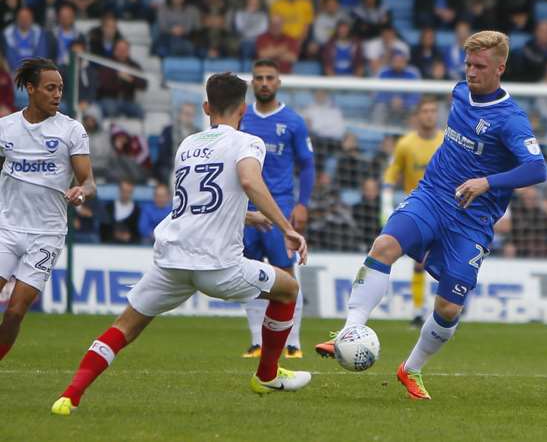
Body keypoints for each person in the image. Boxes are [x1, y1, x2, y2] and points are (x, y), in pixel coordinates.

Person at [51, 72, 310, 416]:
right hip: (219, 267)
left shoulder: (187, 145)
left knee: (124, 328)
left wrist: (249, 217)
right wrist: (285, 227)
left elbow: (196, 203)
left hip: (172, 261)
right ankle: (266, 375)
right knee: (288, 289)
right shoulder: (248, 142)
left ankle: (69, 396)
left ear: (206, 107)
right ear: (243, 110)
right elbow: (248, 180)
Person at [315, 31, 547, 400]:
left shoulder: (511, 119)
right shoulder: (459, 93)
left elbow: (537, 169)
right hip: (432, 196)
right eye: (468, 64)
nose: (471, 72)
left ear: (500, 68)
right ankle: (348, 330)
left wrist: (487, 182)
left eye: (480, 66)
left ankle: (411, 369)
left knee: (450, 306)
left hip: (472, 220)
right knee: (385, 244)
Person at [0, 58, 95, 362]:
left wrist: (82, 192)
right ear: (30, 89)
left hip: (47, 234)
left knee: (15, 312)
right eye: (50, 88)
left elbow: (88, 181)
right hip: (7, 228)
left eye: (60, 89)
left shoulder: (71, 130)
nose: (57, 94)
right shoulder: (6, 128)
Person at [240, 59, 315, 359]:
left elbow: (307, 165)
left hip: (281, 205)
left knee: (284, 272)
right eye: (259, 78)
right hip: (246, 206)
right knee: (250, 272)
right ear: (252, 82)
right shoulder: (241, 119)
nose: (264, 83)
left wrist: (303, 203)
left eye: (270, 77)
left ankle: (293, 342)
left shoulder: (293, 121)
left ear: (279, 82)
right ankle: (257, 341)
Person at [381, 96, 444, 327]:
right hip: (418, 209)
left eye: (433, 111)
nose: (429, 115)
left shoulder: (446, 141)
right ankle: (418, 312)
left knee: (445, 262)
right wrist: (386, 199)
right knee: (418, 262)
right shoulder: (406, 144)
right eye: (425, 111)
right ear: (417, 115)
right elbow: (392, 172)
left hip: (447, 208)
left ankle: (445, 310)